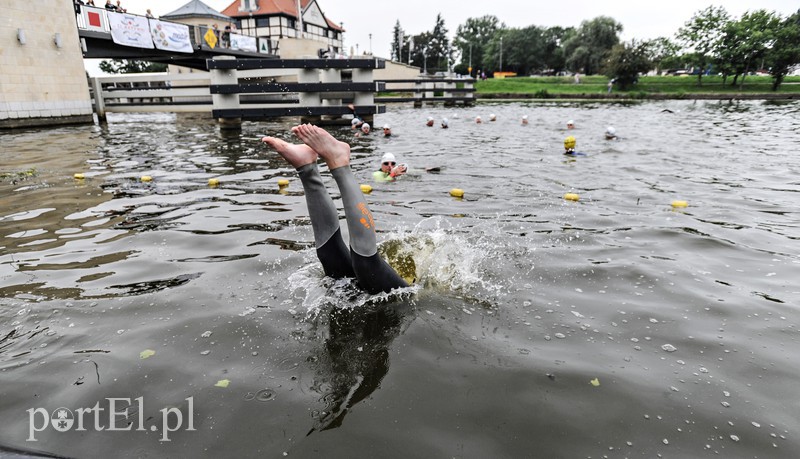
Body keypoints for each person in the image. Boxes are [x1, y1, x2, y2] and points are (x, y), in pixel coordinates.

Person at [262, 125, 408, 294]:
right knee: (367, 265)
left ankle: (306, 168)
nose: (390, 165)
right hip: (407, 295)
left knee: (330, 258)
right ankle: (339, 163)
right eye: (386, 163)